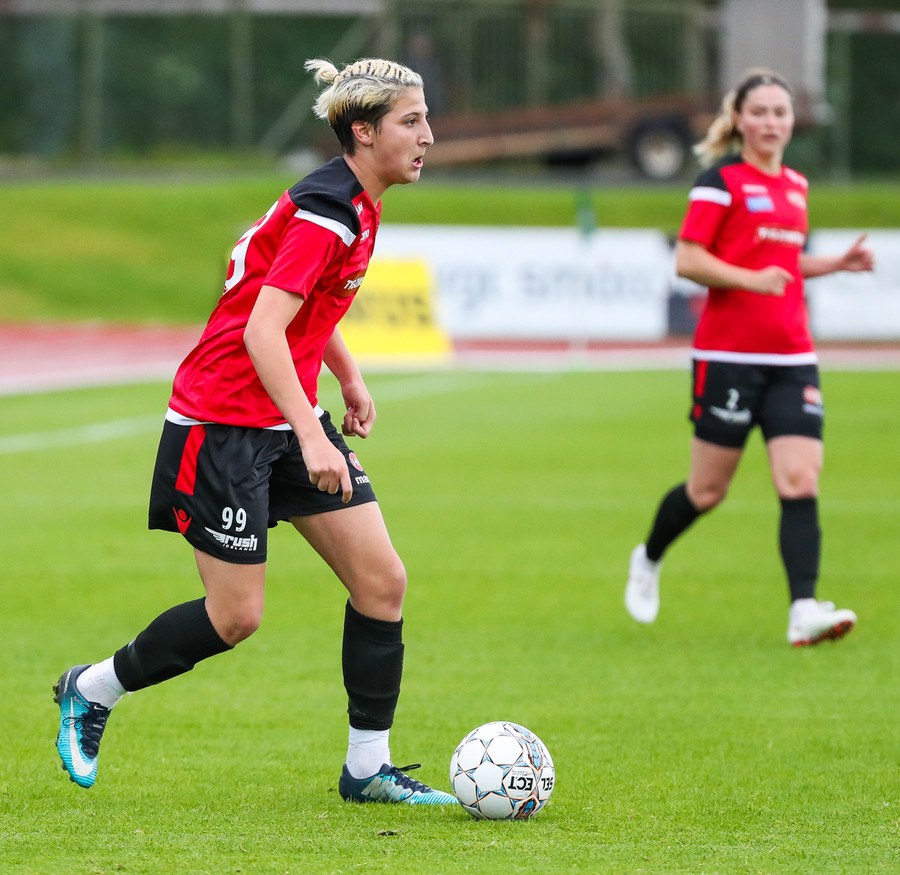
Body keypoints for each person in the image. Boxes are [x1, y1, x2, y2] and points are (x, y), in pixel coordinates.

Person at [54, 57, 455, 805]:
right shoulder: (328, 212)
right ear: (364, 132)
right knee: (235, 617)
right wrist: (312, 433)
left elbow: (311, 306)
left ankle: (367, 768)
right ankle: (93, 687)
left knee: (382, 582)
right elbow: (262, 332)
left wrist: (348, 376)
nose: (428, 135)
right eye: (411, 121)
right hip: (222, 421)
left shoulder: (357, 203)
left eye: (425, 118)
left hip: (283, 413)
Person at [624, 69, 875, 646]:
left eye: (779, 112)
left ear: (792, 121)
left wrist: (835, 264)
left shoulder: (797, 185)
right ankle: (649, 556)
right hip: (728, 356)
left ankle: (803, 610)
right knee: (707, 492)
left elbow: (782, 264)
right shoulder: (719, 181)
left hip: (792, 356)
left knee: (799, 478)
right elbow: (689, 260)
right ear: (738, 119)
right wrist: (750, 279)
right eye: (758, 111)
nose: (770, 122)